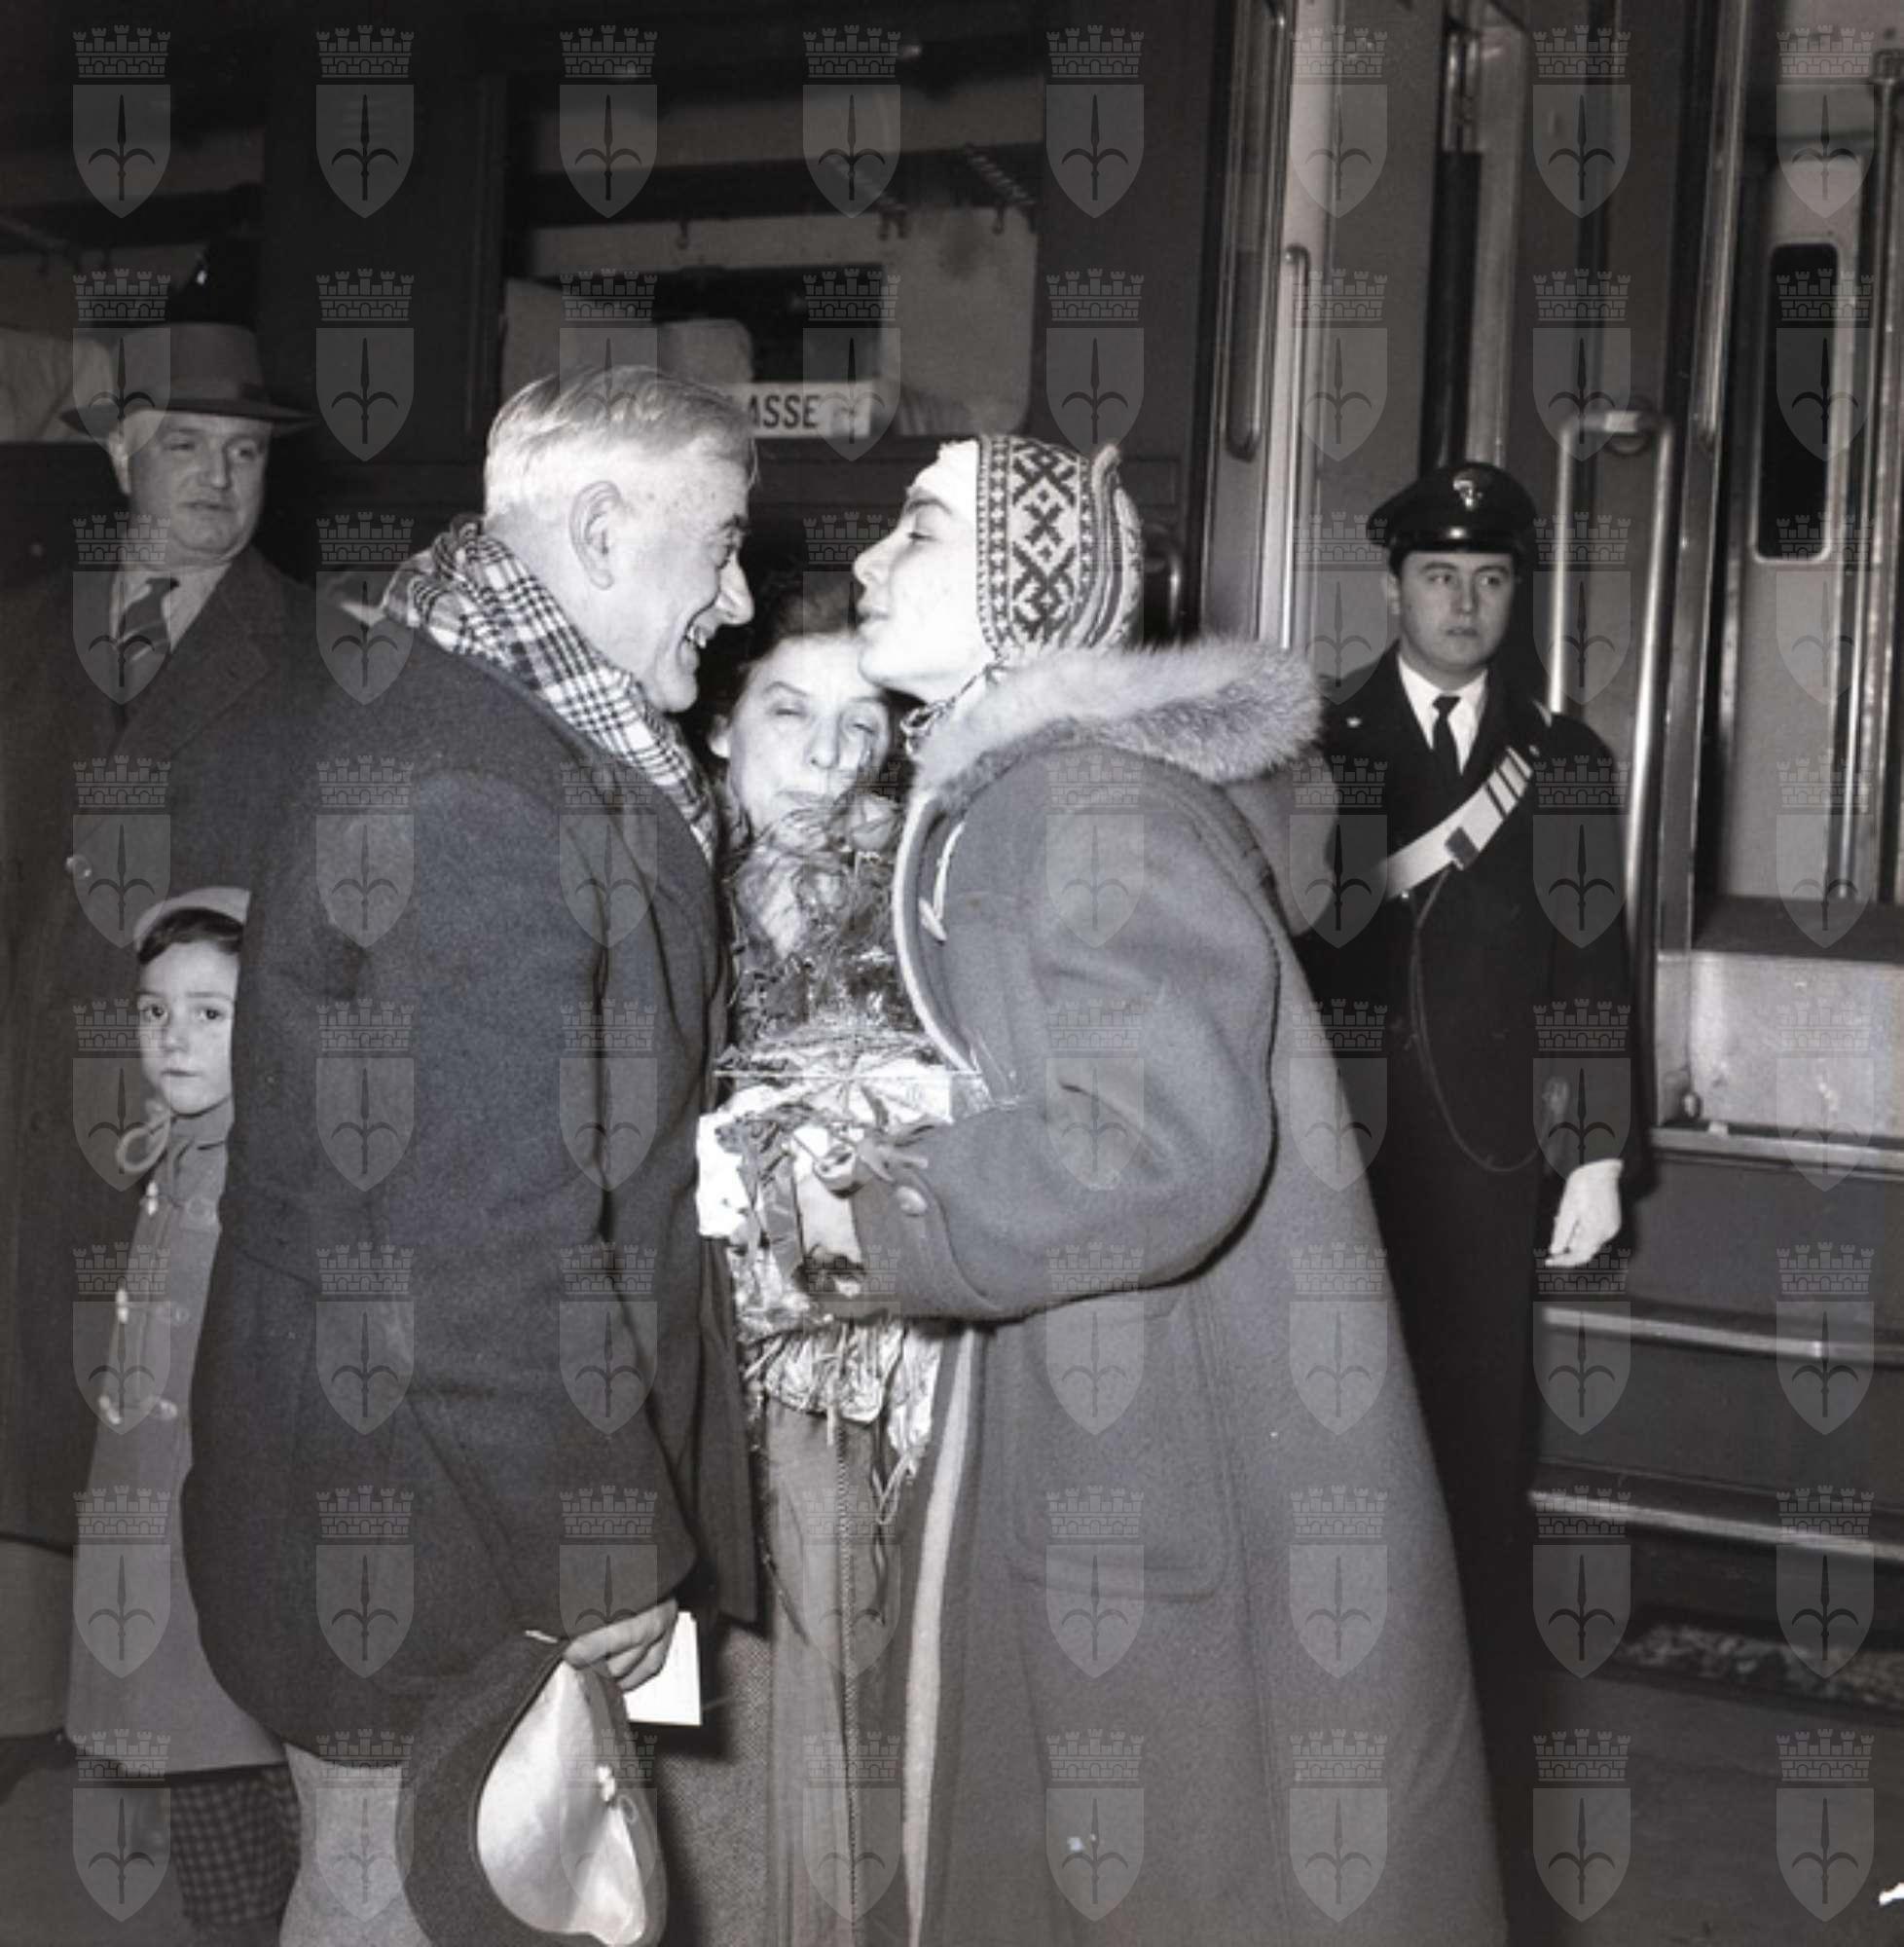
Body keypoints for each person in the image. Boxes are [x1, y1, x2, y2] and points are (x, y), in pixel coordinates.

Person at [794, 434, 1506, 1942]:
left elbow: (1159, 1141)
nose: (867, 560)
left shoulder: (1070, 804)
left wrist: (869, 1209)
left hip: (1152, 1432)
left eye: (918, 530)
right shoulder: (1037, 792)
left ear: (1024, 595)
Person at [183, 367, 761, 1946]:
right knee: (396, 1900)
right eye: (721, 545)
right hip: (425, 1523)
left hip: (408, 1494)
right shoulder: (480, 792)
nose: (737, 598)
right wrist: (601, 1543)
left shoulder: (455, 707)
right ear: (601, 531)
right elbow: (480, 1259)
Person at [1296, 460, 1632, 1920]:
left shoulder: (1564, 759)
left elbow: (1592, 957)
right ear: (1392, 587)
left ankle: (1470, 1831)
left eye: (1491, 579)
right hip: (1337, 1171)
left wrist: (1598, 1152)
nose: (1465, 602)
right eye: (1440, 576)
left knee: (1480, 1490)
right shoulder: (1316, 743)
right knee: (1336, 1477)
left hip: (1491, 1178)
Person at [0, 325, 315, 1797]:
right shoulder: (22, 631)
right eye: (186, 445)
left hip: (185, 1111)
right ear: (122, 451)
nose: (219, 480)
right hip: (20, 1098)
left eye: (246, 454)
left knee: (155, 1431)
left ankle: (172, 1742)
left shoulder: (317, 656)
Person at [672, 617, 948, 1945]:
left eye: (864, 725)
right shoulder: (661, 883)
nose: (832, 757)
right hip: (688, 1359)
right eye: (791, 713)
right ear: (721, 724)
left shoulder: (921, 908)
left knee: (844, 1693)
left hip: (849, 1378)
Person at [66, 887, 300, 1946]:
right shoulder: (175, 1149)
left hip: (232, 1547)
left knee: (277, 1799)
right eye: (155, 1011)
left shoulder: (267, 1165)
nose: (174, 1036)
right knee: (200, 1787)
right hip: (157, 1544)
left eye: (211, 1012)